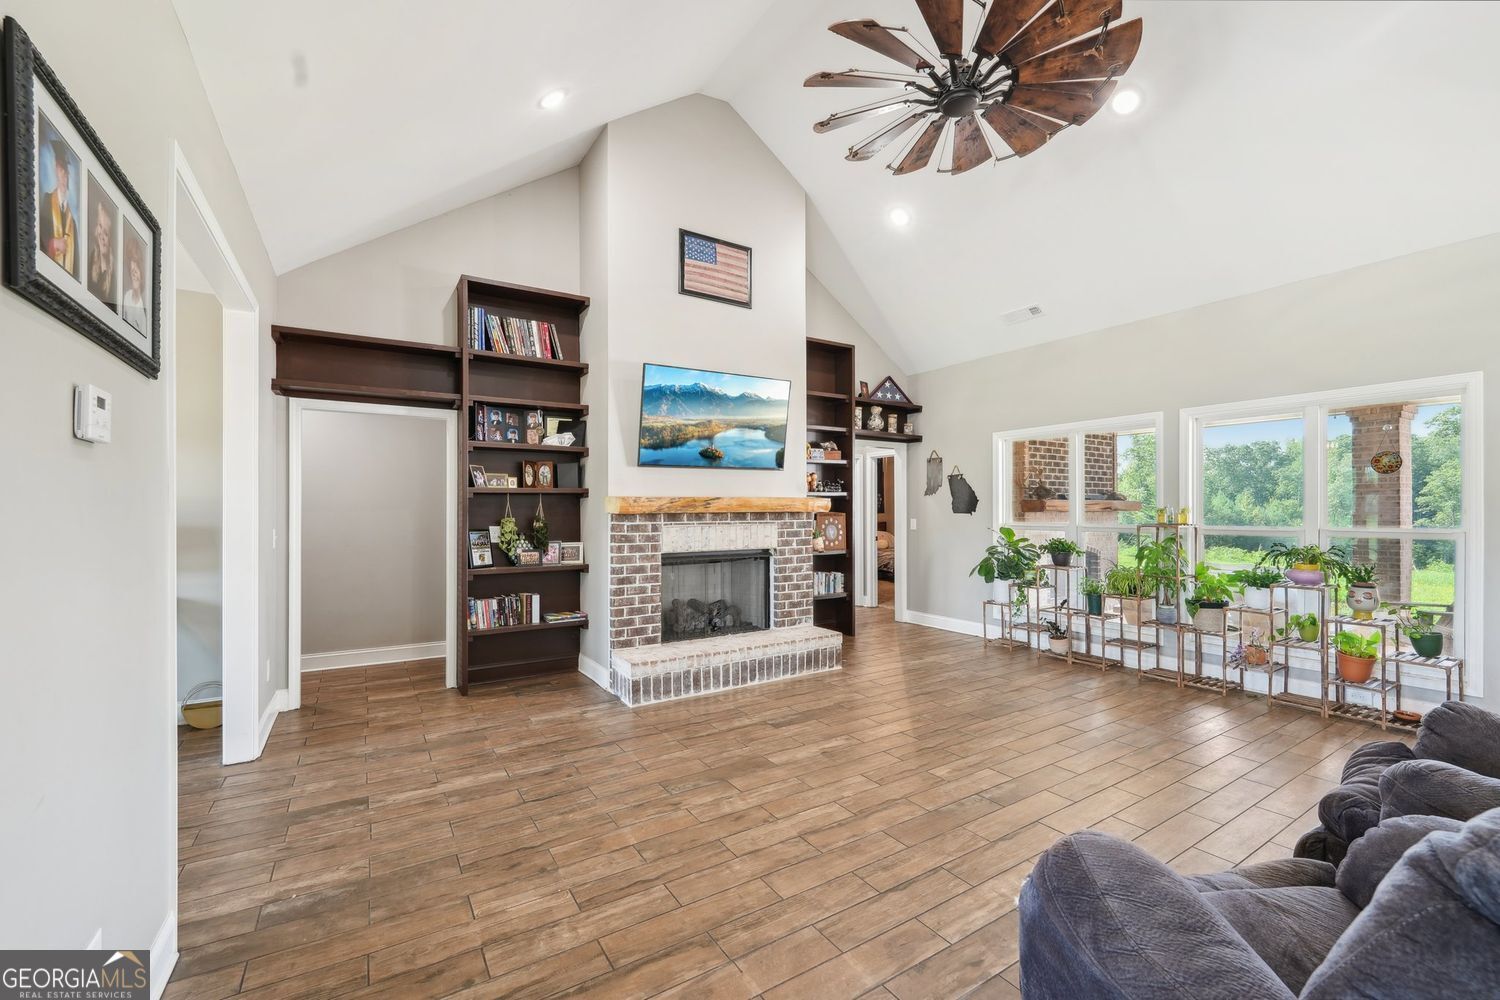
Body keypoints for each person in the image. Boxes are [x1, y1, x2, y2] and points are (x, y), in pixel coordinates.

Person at [38, 140, 77, 276]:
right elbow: (37, 240)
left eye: (65, 170)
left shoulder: (72, 223)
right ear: (55, 169)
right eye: (61, 169)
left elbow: (76, 268)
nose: (64, 175)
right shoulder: (47, 201)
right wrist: (53, 243)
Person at [87, 196, 116, 308]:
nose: (102, 236)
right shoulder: (90, 261)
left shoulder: (113, 278)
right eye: (100, 226)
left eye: (107, 233)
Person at [121, 235, 148, 334]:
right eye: (132, 271)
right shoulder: (126, 297)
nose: (134, 274)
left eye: (137, 269)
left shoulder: (145, 307)